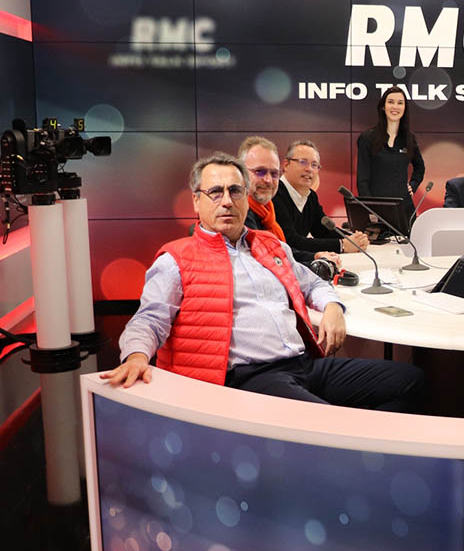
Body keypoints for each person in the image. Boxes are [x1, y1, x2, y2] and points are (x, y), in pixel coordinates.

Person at [100, 152, 423, 411]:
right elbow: (150, 319)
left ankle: (373, 455)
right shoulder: (176, 258)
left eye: (235, 191)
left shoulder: (271, 246)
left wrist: (333, 307)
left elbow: (313, 284)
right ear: (197, 201)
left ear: (246, 197)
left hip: (303, 365)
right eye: (215, 192)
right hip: (249, 377)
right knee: (327, 421)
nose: (227, 201)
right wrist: (136, 357)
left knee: (410, 381)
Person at [237, 135, 348, 267]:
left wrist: (315, 257)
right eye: (259, 171)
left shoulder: (266, 209)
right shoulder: (240, 212)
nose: (268, 180)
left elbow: (283, 252)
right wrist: (319, 260)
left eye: (274, 174)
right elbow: (269, 261)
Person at [271, 139, 369, 257]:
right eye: (303, 162)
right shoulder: (274, 194)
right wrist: (342, 245)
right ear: (286, 165)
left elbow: (323, 231)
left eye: (314, 165)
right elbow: (290, 241)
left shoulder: (311, 197)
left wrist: (353, 238)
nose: (309, 169)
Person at [356, 86, 425, 223]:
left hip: (405, 211)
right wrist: (370, 209)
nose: (395, 107)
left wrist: (413, 186)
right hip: (378, 211)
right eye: (391, 102)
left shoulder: (409, 139)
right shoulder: (367, 138)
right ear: (383, 106)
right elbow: (362, 180)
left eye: (400, 103)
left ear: (405, 108)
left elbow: (420, 167)